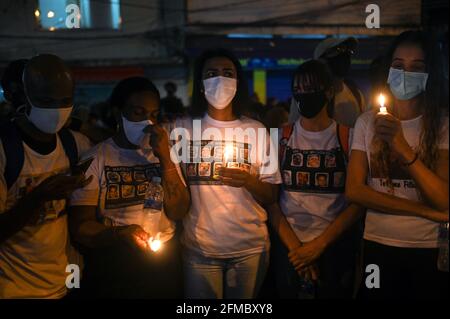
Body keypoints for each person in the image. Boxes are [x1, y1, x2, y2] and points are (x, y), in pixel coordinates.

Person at [346, 30, 449, 299]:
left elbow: (444, 200)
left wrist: (400, 146)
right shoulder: (367, 122)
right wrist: (423, 211)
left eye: (417, 67)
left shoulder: (443, 124)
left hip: (429, 248)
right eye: (398, 65)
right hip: (378, 244)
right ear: (388, 68)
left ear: (431, 74)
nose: (405, 74)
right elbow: (355, 191)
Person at [171, 49, 281, 299]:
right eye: (211, 74)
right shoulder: (182, 128)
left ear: (237, 83)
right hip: (199, 249)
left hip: (249, 248)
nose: (219, 79)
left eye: (227, 73)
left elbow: (271, 194)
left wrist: (249, 181)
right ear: (200, 85)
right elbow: (172, 184)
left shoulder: (257, 130)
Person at [69, 76, 190, 298]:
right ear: (117, 113)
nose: (147, 123)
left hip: (164, 261)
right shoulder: (97, 158)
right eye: (138, 113)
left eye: (153, 115)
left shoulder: (166, 153)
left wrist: (165, 158)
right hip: (116, 262)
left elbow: (179, 211)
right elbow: (80, 227)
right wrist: (121, 234)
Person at [266, 60, 364, 299]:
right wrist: (298, 251)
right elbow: (271, 201)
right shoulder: (279, 138)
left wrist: (319, 245)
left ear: (329, 92)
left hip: (334, 247)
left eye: (311, 89)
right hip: (289, 248)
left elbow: (358, 201)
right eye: (298, 90)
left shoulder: (348, 137)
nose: (304, 95)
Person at [0, 54, 92, 298]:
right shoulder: (4, 149)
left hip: (64, 283)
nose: (56, 110)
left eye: (65, 101)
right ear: (25, 97)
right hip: (13, 289)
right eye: (46, 101)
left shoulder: (77, 144)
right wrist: (39, 196)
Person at [288, 37, 366, 127]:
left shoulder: (356, 94)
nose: (344, 56)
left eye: (348, 51)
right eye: (337, 51)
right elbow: (292, 131)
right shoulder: (307, 97)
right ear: (320, 62)